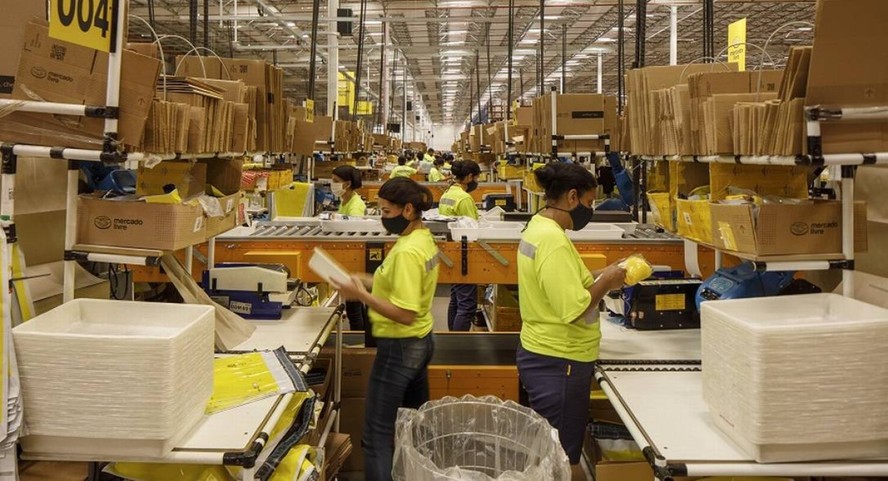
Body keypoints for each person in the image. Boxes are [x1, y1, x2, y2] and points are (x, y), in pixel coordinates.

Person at [516, 162, 627, 481]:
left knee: (550, 453)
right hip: (559, 360)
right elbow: (573, 309)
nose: (590, 210)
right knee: (560, 460)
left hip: (544, 352)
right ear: (572, 197)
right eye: (591, 202)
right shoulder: (552, 240)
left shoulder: (538, 225)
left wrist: (604, 275)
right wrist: (606, 281)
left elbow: (561, 282)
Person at [331, 177, 439, 481]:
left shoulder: (406, 252)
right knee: (415, 425)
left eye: (386, 211)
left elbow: (404, 313)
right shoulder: (421, 238)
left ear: (407, 210)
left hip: (400, 346)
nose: (382, 217)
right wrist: (362, 279)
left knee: (378, 433)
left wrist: (361, 296)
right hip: (421, 341)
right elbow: (400, 287)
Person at [438, 159, 481, 331]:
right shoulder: (464, 198)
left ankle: (452, 339)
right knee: (467, 305)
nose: (477, 182)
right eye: (477, 178)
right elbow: (473, 228)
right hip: (465, 255)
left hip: (451, 252)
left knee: (456, 299)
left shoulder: (447, 193)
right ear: (469, 177)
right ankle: (460, 343)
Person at [331, 165, 369, 332]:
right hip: (347, 255)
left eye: (335, 181)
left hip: (354, 256)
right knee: (355, 305)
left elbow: (354, 233)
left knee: (354, 307)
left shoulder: (356, 205)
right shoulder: (344, 201)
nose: (332, 184)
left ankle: (358, 339)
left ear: (346, 184)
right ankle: (358, 336)